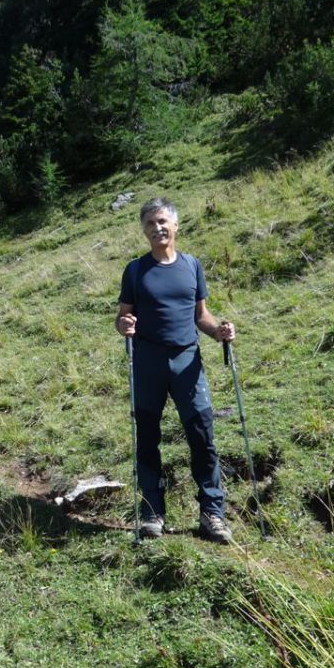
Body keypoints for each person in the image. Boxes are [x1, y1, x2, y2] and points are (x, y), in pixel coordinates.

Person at [116, 197, 236, 544]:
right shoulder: (135, 270)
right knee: (147, 439)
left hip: (187, 362)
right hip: (148, 362)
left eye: (163, 222)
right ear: (144, 230)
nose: (158, 228)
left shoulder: (191, 266)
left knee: (202, 435)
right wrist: (123, 324)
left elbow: (201, 315)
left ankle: (211, 513)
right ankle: (152, 513)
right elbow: (122, 316)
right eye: (151, 224)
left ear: (176, 225)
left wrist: (219, 332)